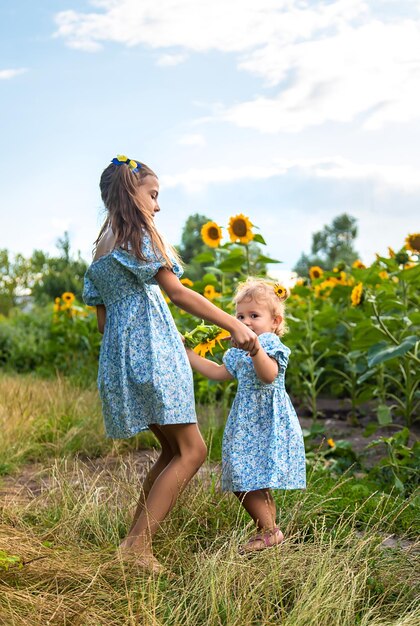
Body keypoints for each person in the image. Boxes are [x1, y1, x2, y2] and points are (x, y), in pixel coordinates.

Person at [82, 155, 257, 573]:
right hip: (154, 356)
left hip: (123, 361)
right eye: (154, 195)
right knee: (194, 451)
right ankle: (136, 548)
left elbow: (105, 322)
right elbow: (176, 293)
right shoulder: (139, 233)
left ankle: (136, 538)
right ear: (131, 191)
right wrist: (233, 323)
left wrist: (152, 329)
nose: (157, 206)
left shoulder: (101, 249)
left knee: (172, 449)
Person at [185, 277, 306, 553]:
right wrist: (188, 353)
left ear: (275, 322)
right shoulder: (237, 352)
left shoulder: (271, 345)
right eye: (240, 316)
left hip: (267, 422)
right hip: (246, 422)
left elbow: (269, 375)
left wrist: (255, 350)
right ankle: (268, 531)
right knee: (250, 476)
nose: (246, 321)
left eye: (254, 315)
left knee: (245, 477)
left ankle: (269, 531)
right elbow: (217, 372)